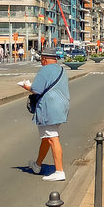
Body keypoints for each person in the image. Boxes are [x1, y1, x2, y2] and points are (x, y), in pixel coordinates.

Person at [24, 47, 70, 181]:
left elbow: (36, 89)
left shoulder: (44, 70)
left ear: (44, 59)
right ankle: (37, 165)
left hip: (49, 108)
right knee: (46, 137)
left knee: (52, 138)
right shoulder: (61, 69)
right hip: (61, 106)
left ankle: (59, 171)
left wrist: (26, 86)